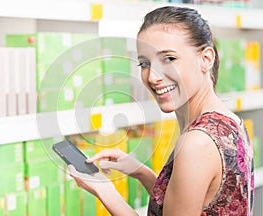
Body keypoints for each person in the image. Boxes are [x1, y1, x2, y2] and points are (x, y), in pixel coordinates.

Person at [68, 5, 254, 216]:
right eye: (144, 63)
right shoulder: (228, 121)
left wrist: (104, 191)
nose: (153, 77)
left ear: (206, 59)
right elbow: (191, 204)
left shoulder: (197, 142)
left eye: (169, 59)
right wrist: (140, 171)